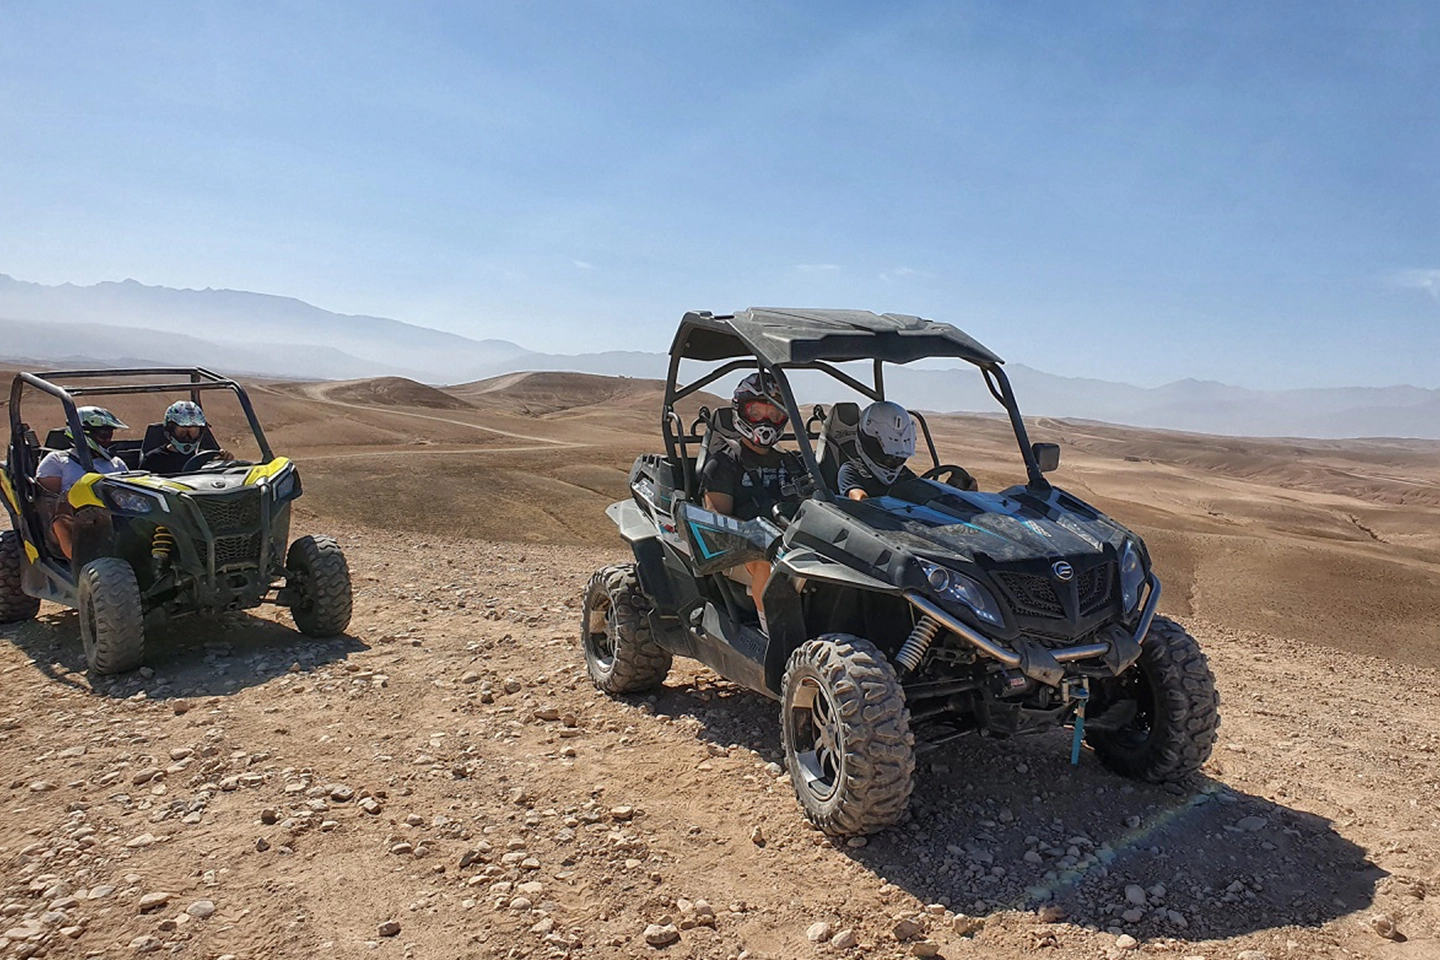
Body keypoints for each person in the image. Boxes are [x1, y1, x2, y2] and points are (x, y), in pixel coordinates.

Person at [698, 372, 803, 630]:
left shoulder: (792, 462)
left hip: (789, 543)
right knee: (768, 558)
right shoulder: (723, 464)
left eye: (774, 414)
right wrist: (758, 537)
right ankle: (774, 636)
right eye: (757, 412)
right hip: (740, 550)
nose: (766, 421)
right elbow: (717, 526)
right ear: (741, 412)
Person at [35, 406, 130, 559]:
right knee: (60, 522)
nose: (108, 439)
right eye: (103, 434)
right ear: (83, 433)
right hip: (74, 523)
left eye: (110, 434)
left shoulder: (116, 463)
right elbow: (48, 506)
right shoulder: (56, 461)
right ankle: (82, 565)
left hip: (114, 518)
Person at [838, 400, 918, 500]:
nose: (892, 461)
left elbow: (923, 494)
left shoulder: (905, 476)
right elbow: (861, 500)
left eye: (898, 458)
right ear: (868, 443)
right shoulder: (851, 471)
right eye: (887, 457)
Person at [140, 401, 229, 474]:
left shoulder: (206, 458)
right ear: (170, 430)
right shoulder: (153, 459)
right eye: (182, 433)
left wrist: (224, 462)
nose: (188, 438)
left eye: (193, 432)